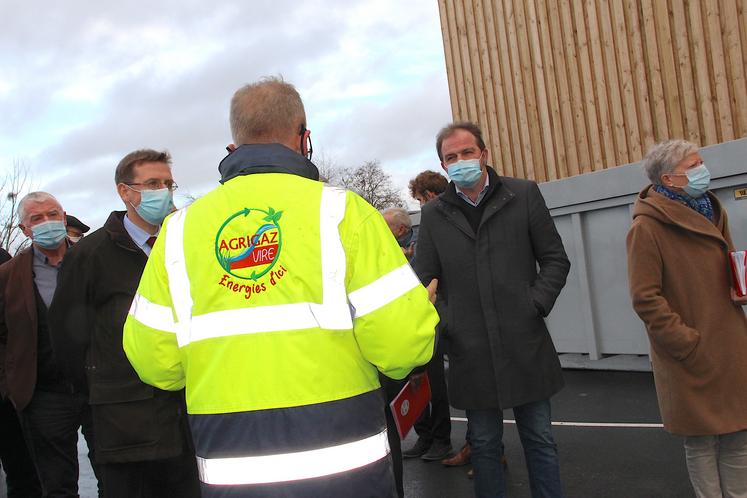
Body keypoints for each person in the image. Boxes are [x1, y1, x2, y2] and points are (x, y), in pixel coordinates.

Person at [122, 76, 439, 498]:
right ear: (303, 138)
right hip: (346, 464)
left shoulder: (179, 231)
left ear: (234, 147)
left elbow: (153, 361)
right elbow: (401, 345)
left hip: (232, 466)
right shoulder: (344, 212)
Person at [412, 122, 570, 498]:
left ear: (483, 154)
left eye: (467, 153)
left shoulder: (523, 194)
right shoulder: (434, 214)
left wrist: (534, 304)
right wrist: (449, 321)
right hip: (470, 350)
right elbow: (425, 279)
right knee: (483, 445)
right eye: (451, 157)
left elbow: (555, 260)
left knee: (540, 440)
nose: (461, 161)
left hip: (524, 342)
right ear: (443, 165)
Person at [49, 150, 201, 498]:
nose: (163, 191)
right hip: (124, 426)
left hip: (188, 417)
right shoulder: (90, 254)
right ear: (125, 192)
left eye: (167, 183)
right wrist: (96, 393)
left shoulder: (186, 245)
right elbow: (68, 337)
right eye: (152, 184)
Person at [627, 139, 747, 498]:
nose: (702, 170)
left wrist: (738, 285)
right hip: (690, 353)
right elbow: (645, 298)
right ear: (670, 179)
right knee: (702, 443)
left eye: (700, 162)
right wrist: (687, 343)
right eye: (693, 166)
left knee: (739, 436)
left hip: (727, 344)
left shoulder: (711, 209)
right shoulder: (646, 228)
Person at [0, 192, 100, 497]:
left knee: (116, 475)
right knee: (56, 486)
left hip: (101, 389)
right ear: (23, 229)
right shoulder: (7, 276)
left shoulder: (96, 260)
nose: (48, 223)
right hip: (44, 396)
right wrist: (11, 383)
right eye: (37, 219)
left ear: (64, 215)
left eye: (53, 214)